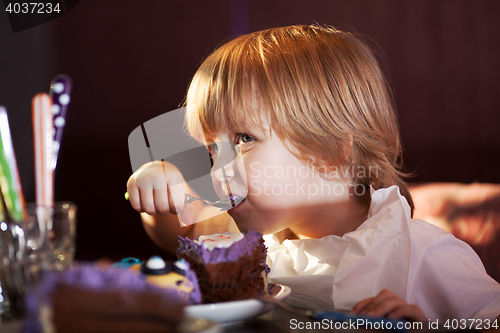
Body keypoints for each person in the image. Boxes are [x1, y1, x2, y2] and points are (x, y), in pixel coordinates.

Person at [127, 24, 500, 323]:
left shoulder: (422, 253)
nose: (217, 169)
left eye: (243, 139)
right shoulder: (258, 242)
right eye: (212, 149)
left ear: (331, 150)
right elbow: (181, 230)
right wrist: (160, 188)